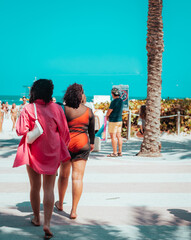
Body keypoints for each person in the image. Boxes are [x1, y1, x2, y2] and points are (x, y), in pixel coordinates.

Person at [13, 79, 70, 239]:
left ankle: (37, 218)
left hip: (33, 152)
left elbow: (20, 131)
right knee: (49, 188)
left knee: (34, 187)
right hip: (52, 151)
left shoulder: (28, 108)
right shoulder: (57, 108)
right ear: (50, 92)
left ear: (34, 92)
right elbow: (65, 132)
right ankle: (47, 223)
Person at [55, 83, 95, 219]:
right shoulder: (89, 111)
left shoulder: (63, 110)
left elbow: (58, 129)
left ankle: (60, 203)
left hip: (66, 145)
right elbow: (92, 132)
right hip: (82, 144)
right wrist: (92, 144)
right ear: (81, 95)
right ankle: (73, 210)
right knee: (77, 178)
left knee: (63, 176)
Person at [106, 87, 123, 157]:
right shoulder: (121, 101)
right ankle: (120, 152)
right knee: (119, 136)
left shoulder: (114, 102)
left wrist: (107, 116)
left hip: (113, 121)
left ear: (112, 94)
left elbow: (110, 111)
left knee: (113, 137)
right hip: (119, 120)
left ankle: (114, 152)